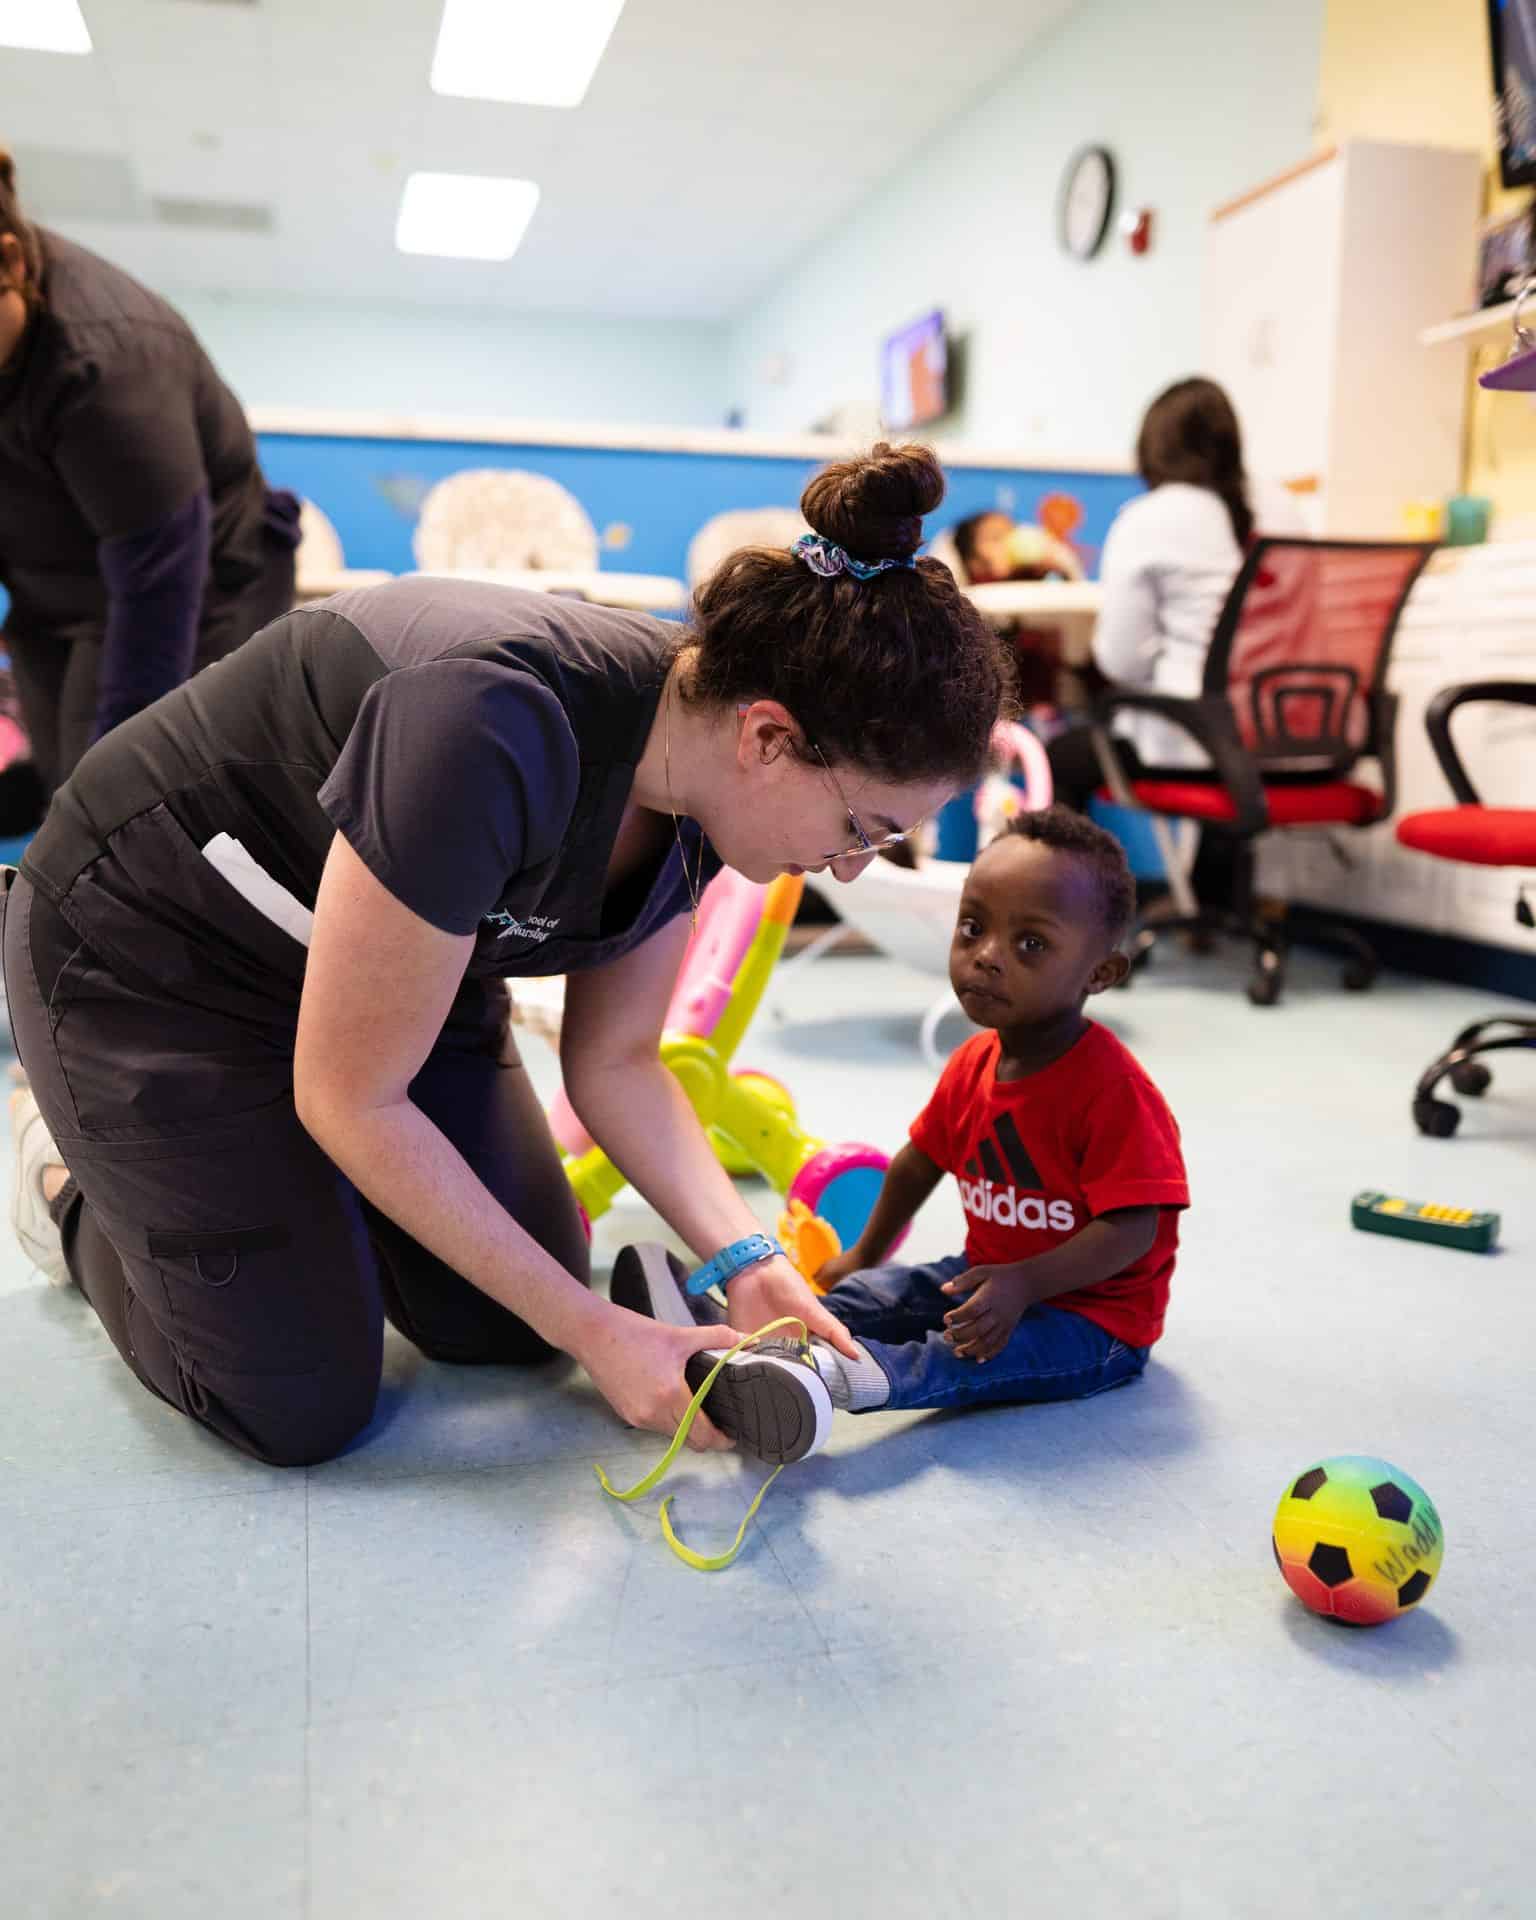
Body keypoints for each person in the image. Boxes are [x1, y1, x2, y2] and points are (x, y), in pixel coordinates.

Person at [3, 441, 1011, 1468]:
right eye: (864, 826)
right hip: (153, 956)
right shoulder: (490, 722)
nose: (848, 869)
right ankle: (65, 1180)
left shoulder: (705, 770)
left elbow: (616, 1062)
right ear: (768, 739)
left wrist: (748, 1258)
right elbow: (354, 1098)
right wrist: (599, 1331)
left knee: (506, 1327)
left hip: (381, 981)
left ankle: (269, 1184)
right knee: (298, 1404)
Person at [613, 806, 1187, 1454]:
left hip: (1094, 1320)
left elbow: (1133, 1229)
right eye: (973, 928)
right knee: (880, 1294)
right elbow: (919, 1162)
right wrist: (865, 1254)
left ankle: (830, 1377)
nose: (988, 957)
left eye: (1031, 944)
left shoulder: (1115, 1092)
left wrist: (1025, 1284)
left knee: (964, 1356)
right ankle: (735, 1336)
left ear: (1100, 974)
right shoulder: (975, 1063)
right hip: (988, 1274)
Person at [0, 148, 301, 822]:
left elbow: (157, 588)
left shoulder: (104, 363)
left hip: (195, 591)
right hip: (57, 590)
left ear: (13, 264)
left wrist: (119, 785)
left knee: (114, 800)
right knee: (63, 795)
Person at [1047, 376, 1303, 809]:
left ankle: (1061, 880)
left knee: (1060, 758)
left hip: (1194, 743)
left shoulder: (1150, 516)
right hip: (1292, 736)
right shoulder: (1285, 508)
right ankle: (1214, 879)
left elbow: (1121, 661)